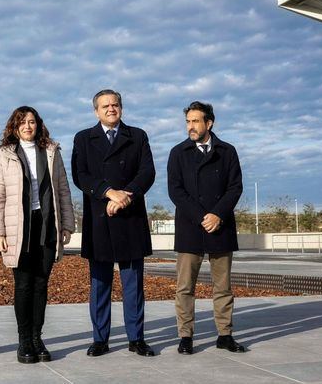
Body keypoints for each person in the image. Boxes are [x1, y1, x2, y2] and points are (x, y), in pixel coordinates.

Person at [71, 89, 156, 357]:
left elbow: (147, 172)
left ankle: (136, 338)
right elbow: (80, 175)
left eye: (115, 104)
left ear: (121, 108)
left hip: (130, 218)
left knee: (133, 285)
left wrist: (125, 196)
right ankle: (100, 339)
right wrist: (109, 192)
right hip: (99, 220)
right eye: (105, 105)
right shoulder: (84, 138)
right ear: (96, 111)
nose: (111, 109)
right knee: (100, 285)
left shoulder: (138, 136)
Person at [0, 106, 75, 364]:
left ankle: (38, 338)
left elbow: (62, 190)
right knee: (24, 284)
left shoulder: (51, 151)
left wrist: (68, 225)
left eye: (32, 122)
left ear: (38, 124)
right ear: (14, 127)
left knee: (41, 284)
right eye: (22, 122)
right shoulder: (5, 155)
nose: (28, 126)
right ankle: (24, 341)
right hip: (19, 228)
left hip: (46, 224)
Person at [167, 101, 245, 355]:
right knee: (185, 287)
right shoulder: (178, 152)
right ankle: (186, 336)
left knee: (223, 287)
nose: (190, 126)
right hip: (190, 227)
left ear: (208, 123)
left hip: (220, 227)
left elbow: (235, 187)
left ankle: (224, 335)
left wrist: (218, 215)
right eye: (188, 121)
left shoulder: (228, 151)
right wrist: (202, 216)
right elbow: (175, 191)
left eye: (195, 121)